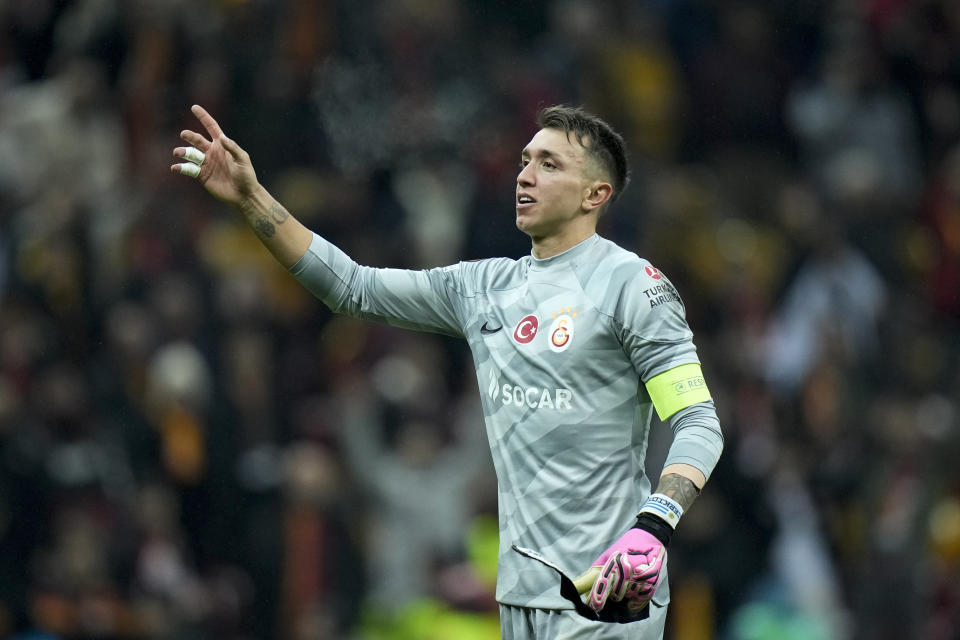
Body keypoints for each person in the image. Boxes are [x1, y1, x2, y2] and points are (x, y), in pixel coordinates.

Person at [171, 103, 723, 639]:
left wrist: (654, 525)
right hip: (522, 589)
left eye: (549, 165)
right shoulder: (485, 287)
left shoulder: (635, 287)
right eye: (526, 160)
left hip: (609, 582)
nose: (525, 175)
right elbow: (352, 288)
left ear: (595, 195)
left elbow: (698, 423)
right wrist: (251, 198)